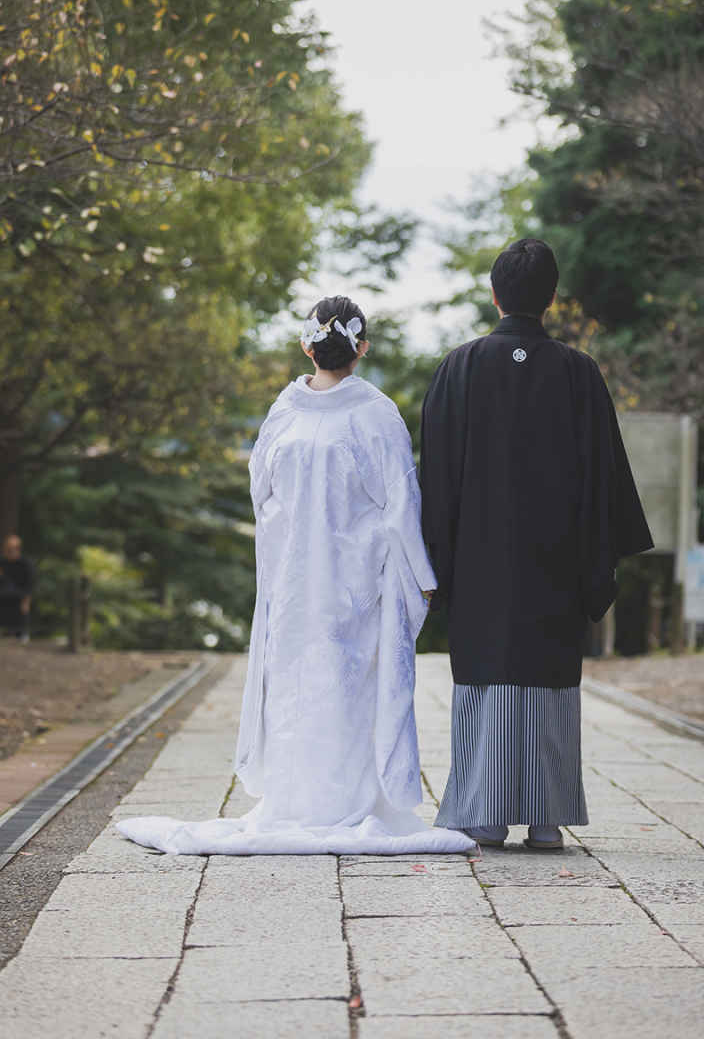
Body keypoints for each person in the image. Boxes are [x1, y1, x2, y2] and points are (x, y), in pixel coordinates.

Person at [118, 296, 473, 857]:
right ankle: (346, 803)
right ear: (361, 349)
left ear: (307, 345)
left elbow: (263, 496)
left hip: (292, 580)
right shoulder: (377, 414)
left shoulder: (282, 413)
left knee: (293, 686)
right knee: (351, 687)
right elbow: (403, 505)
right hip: (355, 580)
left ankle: (293, 800)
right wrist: (423, 577)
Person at [420, 239, 653, 849]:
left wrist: (433, 563)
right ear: (552, 298)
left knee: (485, 673)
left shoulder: (459, 367)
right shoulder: (578, 372)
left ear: (495, 295)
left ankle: (483, 812)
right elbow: (604, 479)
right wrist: (592, 562)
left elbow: (436, 479)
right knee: (548, 675)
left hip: (477, 562)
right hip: (555, 560)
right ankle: (547, 817)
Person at [0, 535, 35, 644]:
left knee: (19, 619)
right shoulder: (2, 563)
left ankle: (21, 637)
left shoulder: (25, 564)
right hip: (3, 598)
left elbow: (29, 584)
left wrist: (26, 601)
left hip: (18, 598)